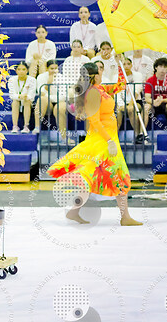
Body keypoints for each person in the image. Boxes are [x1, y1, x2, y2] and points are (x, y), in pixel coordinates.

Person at [48, 60, 142, 226]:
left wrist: (120, 64)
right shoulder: (93, 93)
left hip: (108, 139)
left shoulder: (101, 89)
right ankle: (125, 217)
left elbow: (121, 86)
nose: (101, 72)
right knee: (117, 175)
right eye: (99, 70)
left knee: (94, 176)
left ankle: (74, 211)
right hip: (102, 140)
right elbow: (94, 121)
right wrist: (109, 141)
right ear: (93, 76)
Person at [34, 60, 73, 144]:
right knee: (42, 99)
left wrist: (49, 97)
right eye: (52, 68)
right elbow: (41, 93)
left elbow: (63, 96)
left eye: (56, 68)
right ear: (47, 68)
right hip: (48, 104)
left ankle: (64, 137)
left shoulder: (63, 78)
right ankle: (37, 127)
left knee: (59, 108)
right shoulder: (41, 77)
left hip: (60, 101)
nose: (54, 71)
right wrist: (48, 84)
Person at [143, 57, 167, 134]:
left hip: (166, 103)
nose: (162, 69)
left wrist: (162, 100)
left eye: (165, 67)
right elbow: (147, 98)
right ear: (156, 67)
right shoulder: (150, 80)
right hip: (154, 104)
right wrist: (154, 102)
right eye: (160, 66)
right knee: (146, 107)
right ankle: (142, 133)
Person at [116, 58, 144, 142]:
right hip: (123, 102)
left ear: (131, 65)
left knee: (131, 109)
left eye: (128, 64)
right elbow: (117, 93)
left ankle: (137, 135)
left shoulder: (138, 75)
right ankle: (114, 137)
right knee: (118, 111)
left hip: (136, 101)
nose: (126, 66)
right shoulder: (117, 76)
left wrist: (131, 103)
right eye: (124, 64)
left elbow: (137, 90)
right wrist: (121, 105)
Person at [8, 62, 36, 133]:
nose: (21, 71)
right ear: (16, 71)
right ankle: (15, 126)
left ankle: (26, 126)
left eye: (23, 69)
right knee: (15, 102)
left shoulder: (32, 80)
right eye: (19, 69)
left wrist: (25, 96)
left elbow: (31, 95)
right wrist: (20, 96)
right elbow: (12, 95)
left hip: (28, 102)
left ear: (27, 70)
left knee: (27, 101)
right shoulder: (12, 79)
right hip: (17, 100)